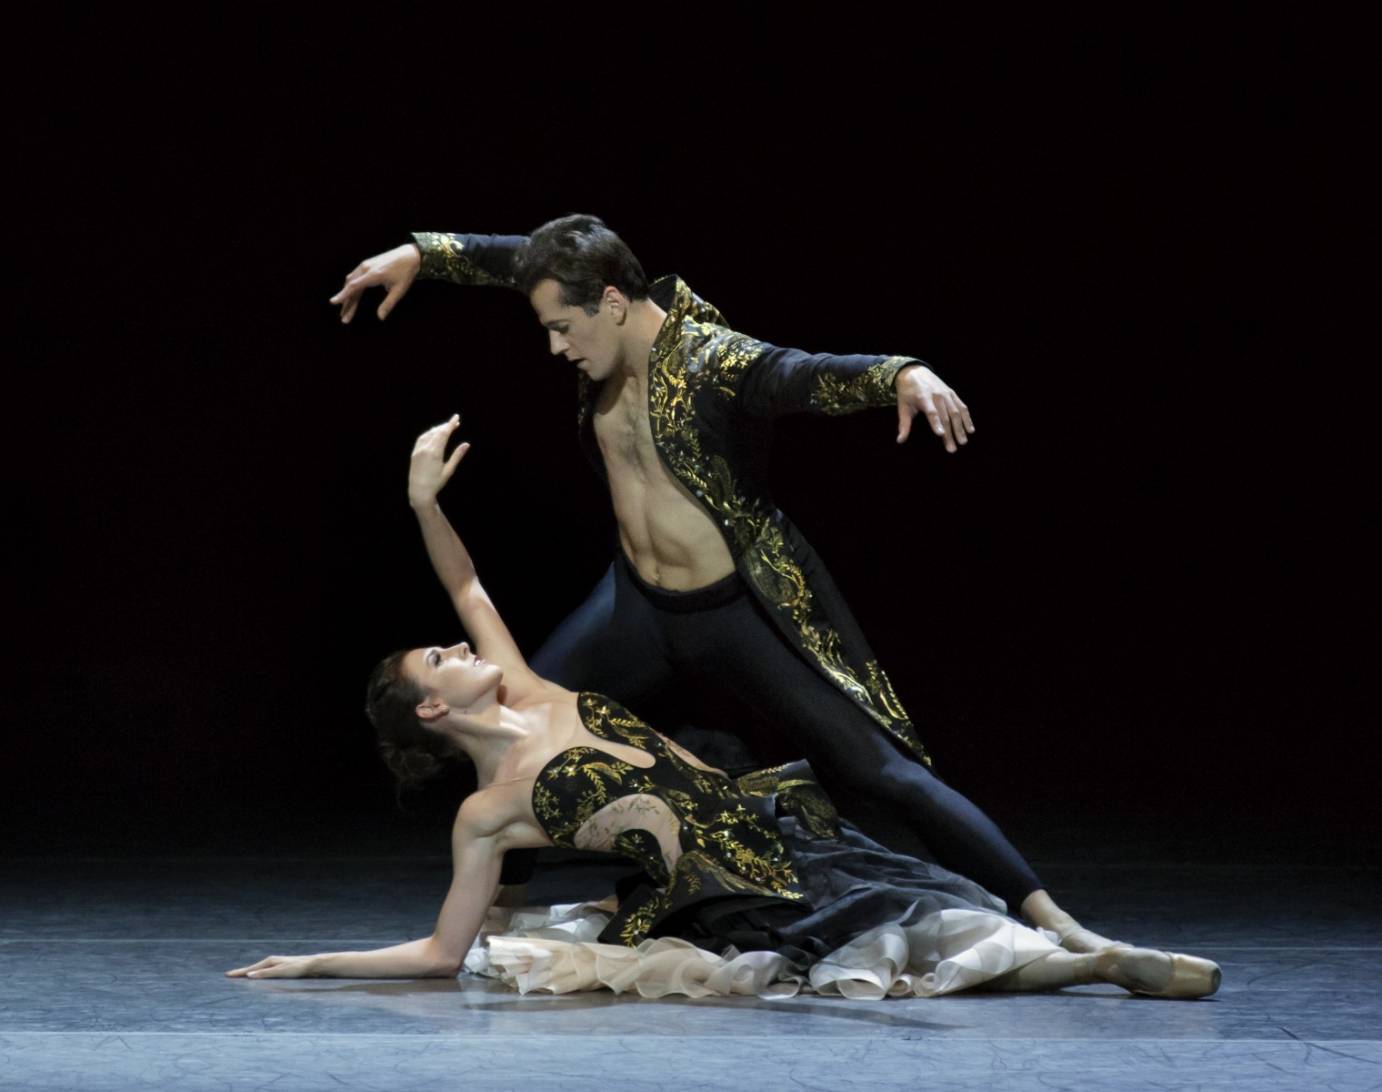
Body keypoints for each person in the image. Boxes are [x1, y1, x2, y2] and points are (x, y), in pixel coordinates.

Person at [227, 418, 1220, 999]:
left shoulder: (527, 685)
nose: (455, 649)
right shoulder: (485, 811)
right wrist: (314, 961)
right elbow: (444, 952)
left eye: (446, 646)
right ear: (432, 712)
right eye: (438, 660)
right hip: (727, 895)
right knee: (920, 939)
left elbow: (469, 588)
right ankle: (1097, 968)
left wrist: (421, 502)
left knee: (930, 900)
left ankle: (1080, 952)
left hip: (768, 820)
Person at [327, 216, 1099, 952]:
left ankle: (1054, 918)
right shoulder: (586, 301)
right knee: (513, 721)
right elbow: (519, 257)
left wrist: (900, 373)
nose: (557, 348)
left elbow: (801, 373)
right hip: (633, 605)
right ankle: (498, 912)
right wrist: (423, 256)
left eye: (564, 329)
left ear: (615, 302)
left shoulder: (711, 359)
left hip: (733, 610)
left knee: (881, 771)